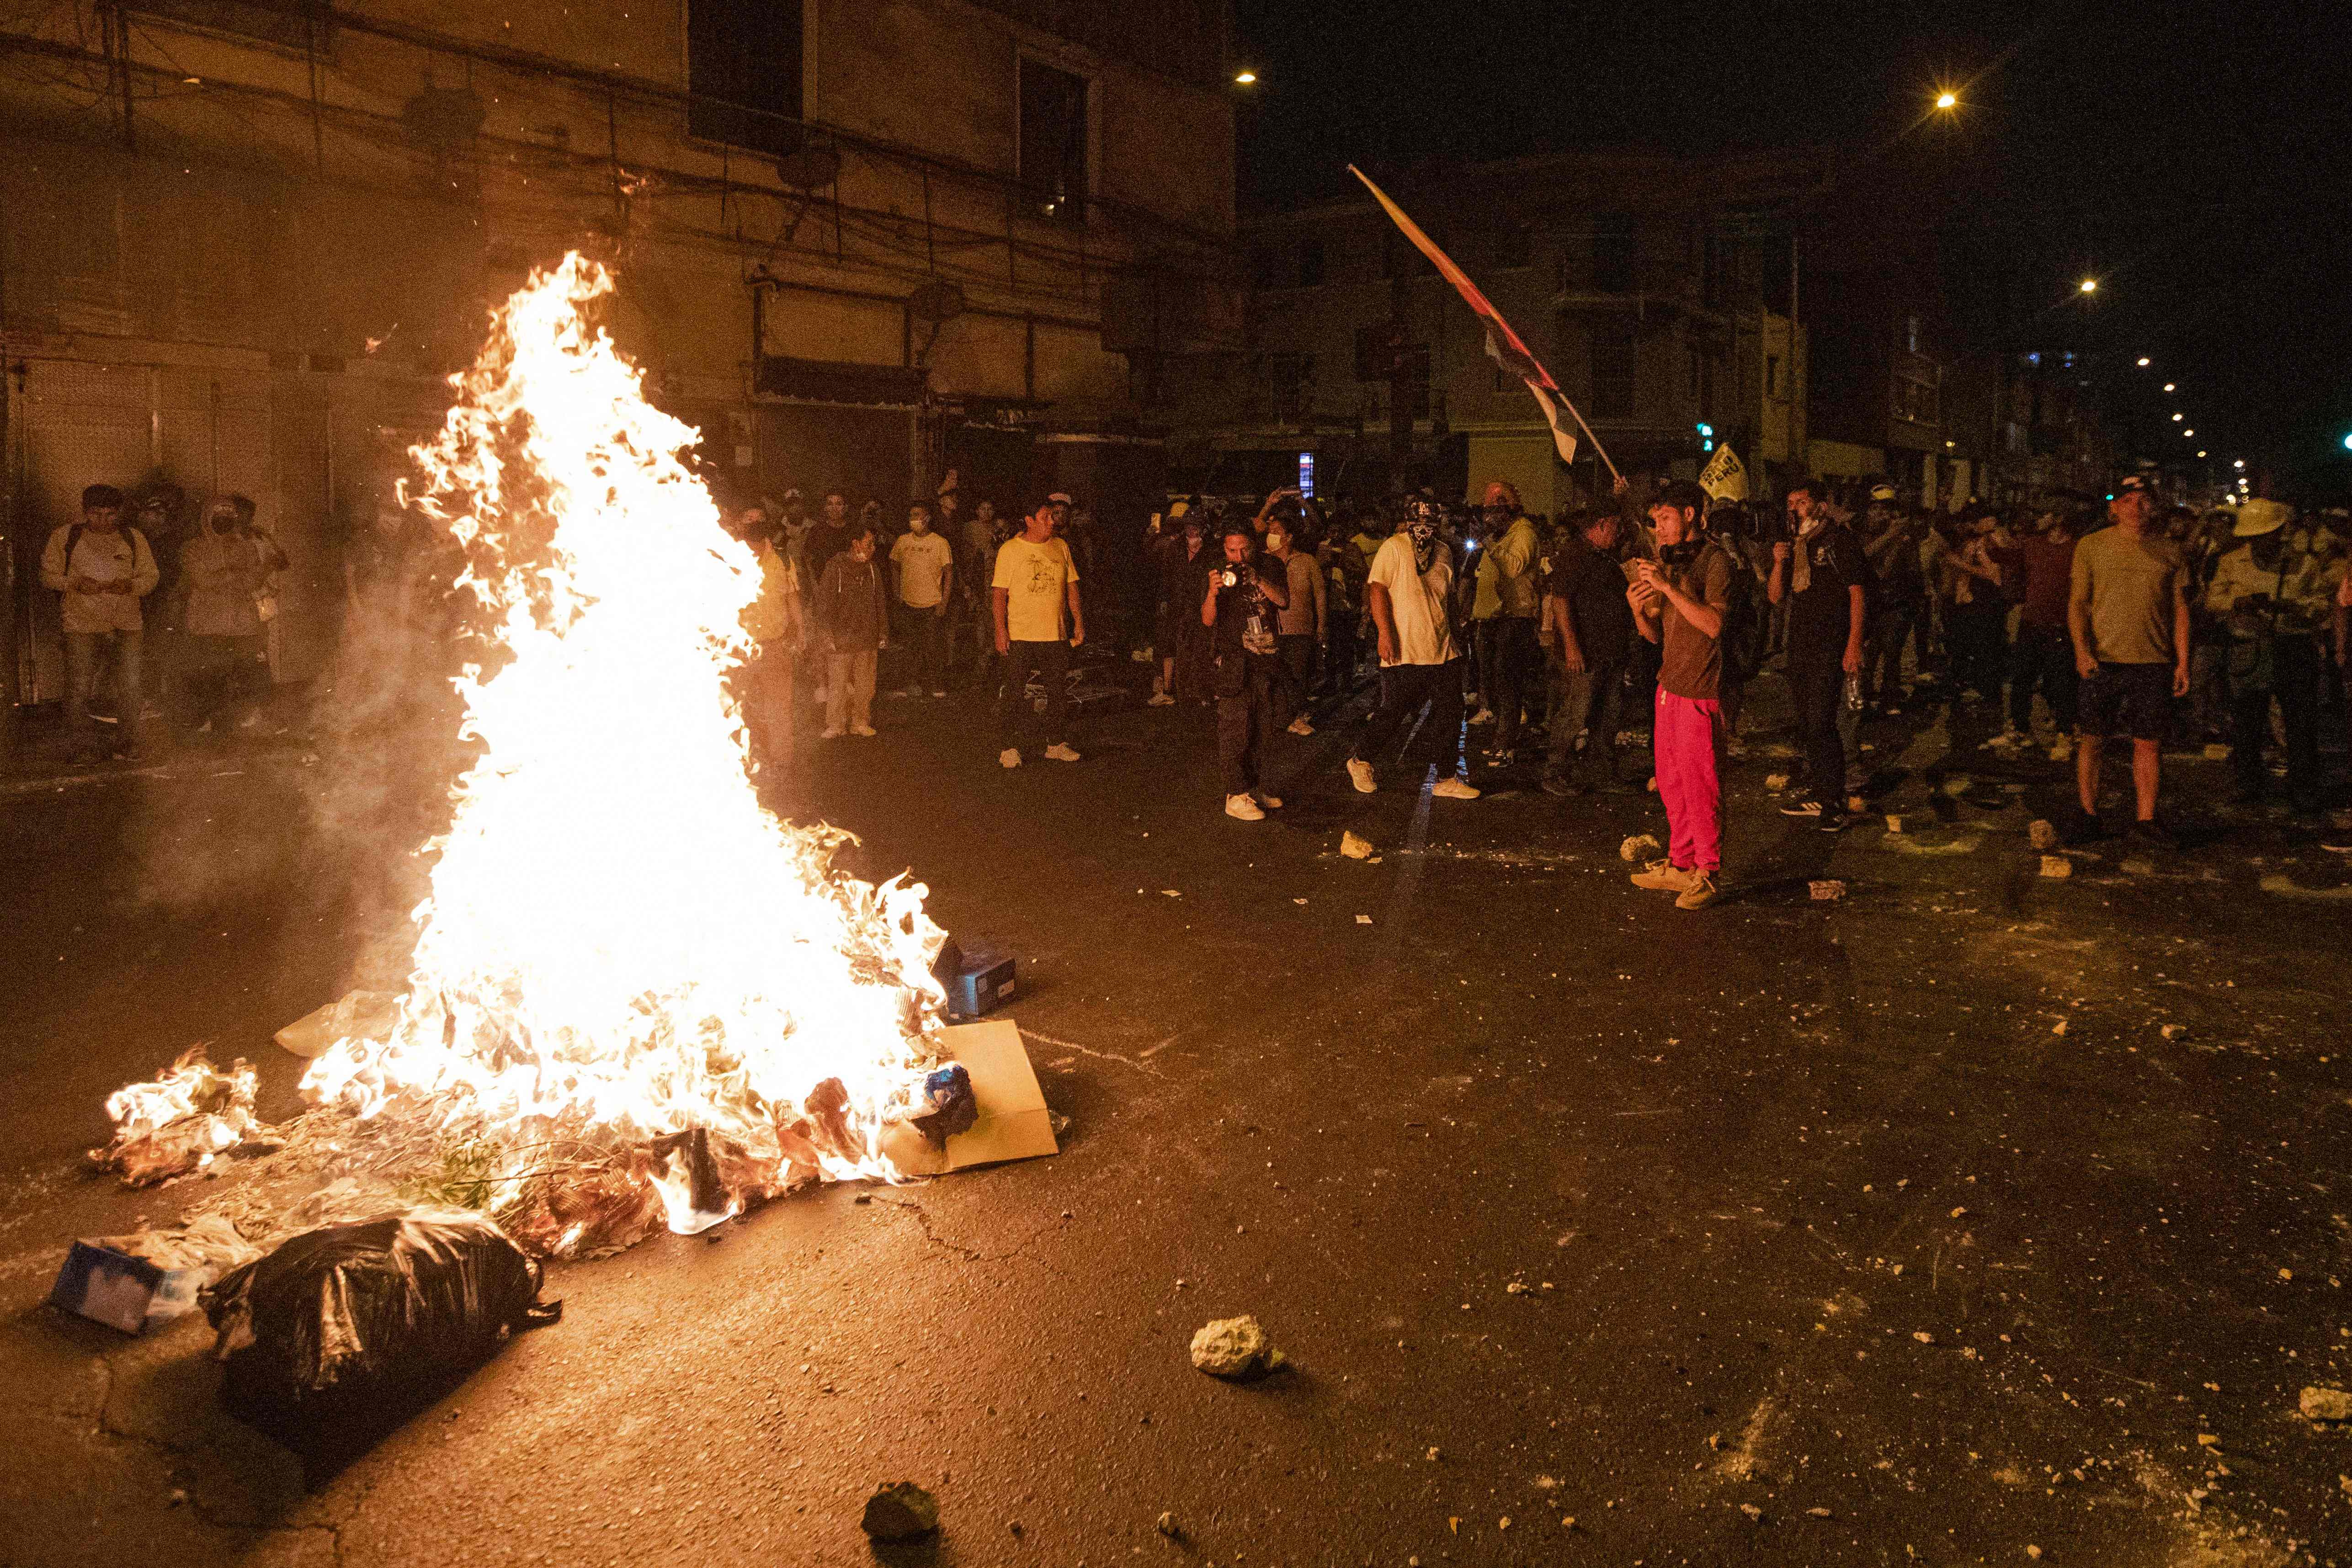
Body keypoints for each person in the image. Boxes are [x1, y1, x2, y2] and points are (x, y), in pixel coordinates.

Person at [1627, 480, 1734, 909]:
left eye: (1666, 519)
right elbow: (1655, 633)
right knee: (1672, 784)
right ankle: (1682, 862)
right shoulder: (1667, 560)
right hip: (1668, 687)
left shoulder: (1715, 561)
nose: (1660, 529)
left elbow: (1712, 626)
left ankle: (1708, 872)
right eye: (1655, 523)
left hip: (1700, 691)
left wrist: (1670, 587)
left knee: (1701, 785)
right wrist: (1638, 608)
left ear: (1690, 514)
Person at [2068, 474, 2191, 845]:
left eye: (2143, 501)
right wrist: (2081, 650)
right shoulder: (2091, 546)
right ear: (2113, 508)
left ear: (2154, 507)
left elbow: (2180, 608)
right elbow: (2078, 603)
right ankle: (2088, 813)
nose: (2136, 508)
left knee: (2148, 741)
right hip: (2103, 659)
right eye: (2127, 500)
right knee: (2092, 738)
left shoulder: (2170, 550)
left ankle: (2146, 819)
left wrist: (2182, 661)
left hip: (2153, 660)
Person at [2203, 498, 2341, 813]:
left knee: (2300, 723)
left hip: (2293, 645)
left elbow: (2322, 604)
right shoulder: (2232, 561)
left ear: (2280, 532)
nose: (2257, 542)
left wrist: (2292, 607)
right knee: (2247, 721)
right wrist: (2239, 603)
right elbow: (2213, 599)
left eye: (2263, 535)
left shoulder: (2304, 563)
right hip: (2250, 646)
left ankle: (2304, 788)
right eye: (2252, 537)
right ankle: (2249, 782)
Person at [1345, 501, 1479, 801]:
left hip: (1442, 648)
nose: (1424, 528)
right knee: (1393, 712)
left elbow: (1447, 597)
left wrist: (1457, 633)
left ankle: (1446, 777)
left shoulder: (1444, 552)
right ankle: (1361, 759)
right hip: (1405, 649)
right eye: (1419, 521)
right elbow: (1377, 589)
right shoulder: (1393, 548)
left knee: (1450, 712)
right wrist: (1385, 634)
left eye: (1430, 522)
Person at [1769, 478, 1869, 829]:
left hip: (1831, 645)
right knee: (1808, 725)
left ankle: (1833, 802)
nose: (1794, 508)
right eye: (1790, 502)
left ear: (1820, 506)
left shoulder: (1838, 541)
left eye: (1801, 500)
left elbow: (1857, 592)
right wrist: (1779, 562)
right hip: (1801, 648)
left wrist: (1854, 643)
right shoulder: (1797, 547)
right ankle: (1822, 789)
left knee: (1822, 722)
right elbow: (1775, 597)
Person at [41, 483, 160, 760]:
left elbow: (151, 576)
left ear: (118, 514)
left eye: (110, 515)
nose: (103, 521)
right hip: (81, 621)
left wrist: (131, 587)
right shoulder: (66, 537)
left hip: (126, 621)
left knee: (130, 683)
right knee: (80, 685)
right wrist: (75, 584)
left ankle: (130, 743)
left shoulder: (133, 538)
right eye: (96, 514)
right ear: (85, 512)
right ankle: (81, 746)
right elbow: (47, 575)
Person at [1539, 507, 1635, 795]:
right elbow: (1560, 601)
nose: (1619, 534)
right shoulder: (1575, 555)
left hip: (1609, 650)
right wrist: (1571, 647)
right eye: (1615, 527)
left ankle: (1601, 772)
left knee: (1609, 714)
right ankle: (1554, 771)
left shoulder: (1603, 556)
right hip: (1586, 652)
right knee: (1575, 713)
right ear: (1602, 524)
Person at [1203, 523, 1291, 819]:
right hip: (1234, 661)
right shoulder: (1218, 569)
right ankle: (1235, 794)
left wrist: (1257, 578)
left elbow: (1283, 601)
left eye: (1244, 549)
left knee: (1261, 729)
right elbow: (1206, 620)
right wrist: (1212, 593)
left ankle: (1252, 787)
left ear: (1255, 545)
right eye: (1231, 550)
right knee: (1235, 730)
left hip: (1266, 658)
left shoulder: (1271, 565)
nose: (1238, 556)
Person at [174, 494, 281, 734]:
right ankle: (214, 722)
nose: (224, 522)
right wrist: (235, 576)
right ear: (207, 519)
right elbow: (202, 579)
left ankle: (244, 721)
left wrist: (225, 576)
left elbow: (253, 580)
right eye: (218, 517)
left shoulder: (245, 547)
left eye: (229, 517)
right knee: (213, 675)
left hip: (244, 623)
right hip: (209, 625)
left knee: (248, 672)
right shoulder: (194, 548)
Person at [993, 493, 1085, 768]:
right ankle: (1009, 747)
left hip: (1055, 634)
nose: (1051, 522)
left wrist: (1078, 620)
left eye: (1053, 517)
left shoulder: (1061, 547)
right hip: (1021, 634)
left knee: (1057, 692)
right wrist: (1000, 630)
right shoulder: (1010, 550)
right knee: (1015, 692)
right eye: (1046, 517)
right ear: (1029, 521)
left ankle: (1055, 744)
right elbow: (999, 594)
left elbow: (1072, 586)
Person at [734, 502, 804, 772]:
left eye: (759, 518)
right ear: (740, 523)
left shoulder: (782, 557)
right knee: (735, 704)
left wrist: (801, 631)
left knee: (779, 705)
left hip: (775, 645)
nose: (754, 522)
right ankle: (737, 758)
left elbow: (792, 597)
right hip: (738, 647)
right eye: (748, 518)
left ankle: (782, 760)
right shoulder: (727, 557)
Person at [2007, 507, 2081, 755]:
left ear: (2059, 518)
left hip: (2061, 623)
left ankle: (2065, 731)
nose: (2038, 519)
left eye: (2045, 514)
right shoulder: (2032, 545)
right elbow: (2015, 571)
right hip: (2031, 620)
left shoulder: (2078, 548)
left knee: (2061, 680)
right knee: (2022, 676)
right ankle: (2019, 727)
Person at [1479, 482, 1544, 761]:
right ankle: (1504, 737)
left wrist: (1491, 545)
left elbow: (1514, 567)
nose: (1487, 516)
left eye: (1492, 509)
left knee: (1509, 682)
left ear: (1506, 508)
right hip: (1497, 617)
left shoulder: (1524, 534)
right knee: (1499, 681)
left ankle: (1506, 743)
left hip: (1516, 619)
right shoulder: (1502, 535)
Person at [814, 523, 888, 739]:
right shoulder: (835, 567)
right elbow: (824, 602)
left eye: (873, 543)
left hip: (867, 636)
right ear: (855, 543)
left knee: (866, 684)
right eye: (869, 543)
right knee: (838, 683)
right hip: (841, 638)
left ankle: (860, 722)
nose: (873, 547)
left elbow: (880, 602)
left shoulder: (873, 569)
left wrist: (883, 632)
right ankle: (836, 724)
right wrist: (826, 633)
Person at [1860, 486, 1927, 713]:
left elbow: (1910, 571)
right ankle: (1865, 695)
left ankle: (1888, 698)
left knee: (1891, 652)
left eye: (1887, 510)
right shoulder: (1863, 535)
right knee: (1868, 654)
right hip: (1870, 602)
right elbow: (1865, 559)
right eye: (1877, 509)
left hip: (1895, 603)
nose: (1882, 515)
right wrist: (1891, 538)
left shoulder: (1905, 540)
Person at [1265, 510, 1325, 734]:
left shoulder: (1307, 561)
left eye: (1276, 531)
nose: (1271, 535)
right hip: (1271, 629)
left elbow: (1319, 595)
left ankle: (1296, 716)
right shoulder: (1264, 561)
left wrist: (1321, 625)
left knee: (1297, 674)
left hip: (1300, 627)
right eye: (1270, 532)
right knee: (1274, 674)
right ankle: (1279, 715)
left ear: (1289, 537)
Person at [888, 500, 954, 698]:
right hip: (908, 603)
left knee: (933, 646)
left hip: (932, 603)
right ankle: (909, 684)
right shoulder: (903, 541)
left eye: (918, 515)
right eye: (912, 516)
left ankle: (936, 685)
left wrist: (944, 602)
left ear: (927, 518)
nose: (915, 520)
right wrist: (897, 591)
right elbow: (894, 565)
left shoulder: (940, 542)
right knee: (910, 646)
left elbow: (949, 573)